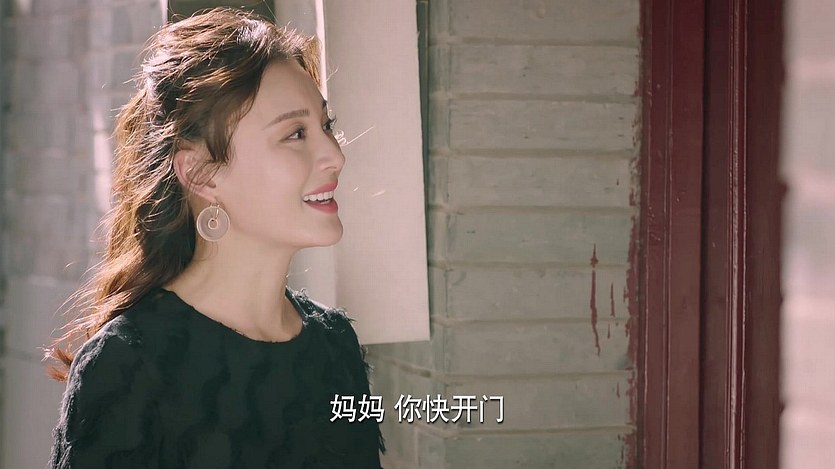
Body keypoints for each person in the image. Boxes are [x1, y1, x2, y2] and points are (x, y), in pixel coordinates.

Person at [44, 7, 385, 468]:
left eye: (326, 125)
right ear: (202, 173)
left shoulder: (336, 346)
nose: (335, 155)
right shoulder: (128, 366)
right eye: (295, 134)